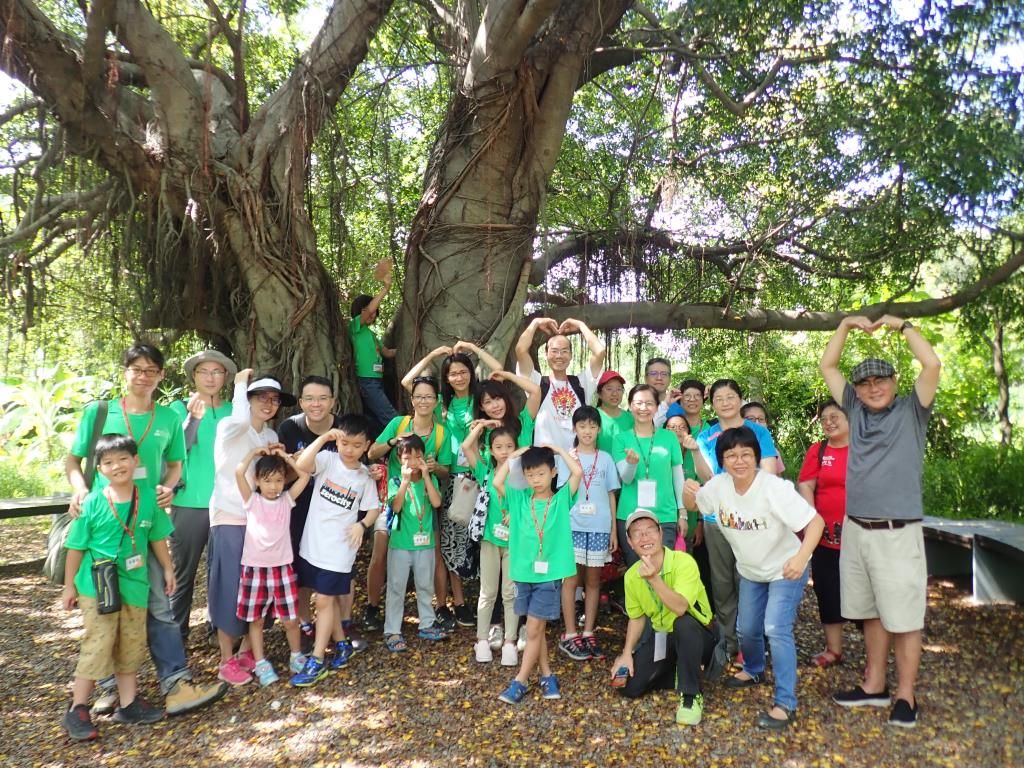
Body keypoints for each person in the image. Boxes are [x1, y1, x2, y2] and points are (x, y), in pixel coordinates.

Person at [65, 343, 225, 716]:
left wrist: (169, 486)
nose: (144, 376)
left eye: (152, 370)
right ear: (125, 372)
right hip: (104, 527)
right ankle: (107, 688)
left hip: (145, 526)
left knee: (158, 607)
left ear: (161, 376)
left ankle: (175, 684)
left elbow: (174, 465)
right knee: (107, 608)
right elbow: (74, 460)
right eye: (137, 369)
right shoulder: (99, 412)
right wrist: (80, 489)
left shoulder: (168, 417)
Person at [820, 315, 940, 728]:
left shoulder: (913, 409)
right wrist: (846, 326)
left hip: (897, 531)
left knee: (904, 616)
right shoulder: (854, 409)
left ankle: (906, 694)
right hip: (857, 529)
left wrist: (902, 326)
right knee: (868, 611)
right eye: (865, 383)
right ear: (856, 391)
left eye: (880, 380)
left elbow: (932, 365)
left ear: (893, 380)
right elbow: (828, 367)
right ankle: (875, 685)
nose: (873, 388)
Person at [689, 426, 824, 730]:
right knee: (747, 628)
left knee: (775, 628)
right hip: (751, 571)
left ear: (756, 456)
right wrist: (688, 496)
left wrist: (801, 558)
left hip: (785, 568)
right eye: (731, 455)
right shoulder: (719, 486)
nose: (739, 461)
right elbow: (696, 505)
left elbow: (816, 523)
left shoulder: (773, 488)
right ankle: (753, 669)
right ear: (722, 460)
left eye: (745, 454)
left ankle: (785, 703)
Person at [61, 435, 176, 740]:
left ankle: (128, 704)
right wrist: (68, 586)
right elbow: (75, 546)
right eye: (109, 462)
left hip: (135, 584)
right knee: (98, 640)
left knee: (131, 641)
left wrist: (167, 568)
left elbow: (156, 537)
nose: (117, 466)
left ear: (136, 460)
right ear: (99, 469)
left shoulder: (148, 498)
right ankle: (78, 708)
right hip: (96, 584)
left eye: (123, 458)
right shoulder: (94, 502)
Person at [209, 369, 294, 686]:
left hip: (261, 521)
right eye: (261, 398)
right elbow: (242, 421)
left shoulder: (270, 436)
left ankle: (247, 650)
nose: (269, 404)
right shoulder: (231, 425)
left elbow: (275, 478)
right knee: (230, 585)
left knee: (260, 586)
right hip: (230, 515)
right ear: (247, 400)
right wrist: (240, 383)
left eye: (274, 399)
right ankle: (225, 659)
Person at [693, 378, 781, 665]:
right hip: (716, 520)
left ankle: (751, 641)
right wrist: (695, 452)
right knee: (721, 582)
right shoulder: (707, 436)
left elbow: (768, 471)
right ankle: (729, 641)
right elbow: (707, 477)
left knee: (750, 578)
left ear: (740, 400)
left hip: (751, 520)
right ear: (713, 404)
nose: (726, 402)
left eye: (731, 397)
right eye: (719, 398)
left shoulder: (757, 432)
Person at [609, 509, 724, 727]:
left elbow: (681, 607)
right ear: (630, 542)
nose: (645, 537)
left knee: (684, 623)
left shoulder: (683, 562)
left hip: (699, 635)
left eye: (650, 530)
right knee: (630, 687)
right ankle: (682, 671)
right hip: (665, 636)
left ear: (661, 533)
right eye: (637, 534)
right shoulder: (632, 575)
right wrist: (626, 654)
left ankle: (691, 695)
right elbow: (636, 618)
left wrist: (654, 579)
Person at [290, 415, 382, 687]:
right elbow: (301, 464)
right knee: (321, 598)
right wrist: (323, 439)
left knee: (323, 601)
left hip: (340, 549)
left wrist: (362, 525)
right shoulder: (327, 460)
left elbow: (374, 508)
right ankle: (341, 644)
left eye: (356, 445)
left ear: (366, 446)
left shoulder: (364, 477)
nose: (349, 450)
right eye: (344, 443)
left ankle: (317, 660)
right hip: (313, 543)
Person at [493, 444, 582, 703]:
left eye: (541, 474)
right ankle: (547, 675)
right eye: (530, 475)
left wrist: (557, 449)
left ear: (553, 472)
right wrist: (517, 455)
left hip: (550, 576)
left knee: (533, 628)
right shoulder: (520, 499)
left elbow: (576, 473)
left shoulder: (560, 499)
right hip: (524, 574)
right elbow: (499, 481)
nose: (535, 480)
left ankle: (519, 682)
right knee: (536, 628)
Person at [366, 374, 452, 630]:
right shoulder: (398, 422)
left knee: (434, 554)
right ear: (412, 399)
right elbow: (371, 452)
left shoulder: (440, 433)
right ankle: (372, 607)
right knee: (380, 553)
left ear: (436, 401)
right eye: (419, 396)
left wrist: (435, 468)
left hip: (424, 499)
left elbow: (447, 470)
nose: (423, 401)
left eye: (428, 397)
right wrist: (394, 441)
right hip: (395, 497)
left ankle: (439, 607)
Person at [402, 347, 480, 630]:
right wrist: (432, 355)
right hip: (455, 483)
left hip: (483, 476)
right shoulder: (440, 407)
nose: (458, 377)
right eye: (452, 373)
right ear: (445, 378)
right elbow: (406, 383)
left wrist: (473, 349)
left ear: (472, 373)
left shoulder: (482, 401)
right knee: (451, 543)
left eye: (463, 371)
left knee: (484, 542)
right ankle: (455, 602)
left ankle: (490, 602)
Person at [169, 349, 237, 642]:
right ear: (193, 377)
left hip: (227, 504)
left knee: (221, 572)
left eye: (217, 372)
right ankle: (176, 633)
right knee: (183, 572)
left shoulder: (234, 410)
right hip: (189, 503)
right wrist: (193, 419)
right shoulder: (177, 408)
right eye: (203, 372)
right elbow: (174, 449)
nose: (210, 378)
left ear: (226, 377)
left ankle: (217, 629)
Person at [234, 447, 310, 685]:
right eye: (267, 481)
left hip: (282, 568)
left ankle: (296, 656)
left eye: (278, 480)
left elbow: (304, 476)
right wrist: (254, 453)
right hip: (255, 568)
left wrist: (286, 458)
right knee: (255, 619)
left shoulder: (286, 500)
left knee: (290, 618)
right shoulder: (252, 500)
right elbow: (239, 472)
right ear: (257, 481)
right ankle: (260, 662)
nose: (273, 486)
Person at [277, 376, 344, 642]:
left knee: (337, 568)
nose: (316, 404)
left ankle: (342, 623)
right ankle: (305, 622)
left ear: (333, 401)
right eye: (310, 398)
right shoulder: (289, 428)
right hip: (299, 506)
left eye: (323, 398)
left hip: (334, 510)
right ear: (301, 401)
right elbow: (283, 476)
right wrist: (298, 467)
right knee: (300, 566)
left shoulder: (343, 428)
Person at [558, 406, 619, 662]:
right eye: (582, 426)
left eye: (592, 426)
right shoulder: (567, 458)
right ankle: (570, 634)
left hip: (599, 526)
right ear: (574, 428)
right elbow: (562, 495)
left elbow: (610, 494)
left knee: (594, 581)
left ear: (598, 429)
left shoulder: (605, 458)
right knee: (571, 580)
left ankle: (588, 630)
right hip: (572, 526)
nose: (587, 431)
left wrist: (614, 529)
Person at [797, 400, 851, 668]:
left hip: (861, 535)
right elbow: (806, 484)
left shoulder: (864, 449)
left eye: (835, 416)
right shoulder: (818, 450)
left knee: (864, 591)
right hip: (824, 535)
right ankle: (833, 649)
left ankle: (875, 649)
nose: (828, 422)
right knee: (827, 590)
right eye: (824, 418)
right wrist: (812, 516)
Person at [383, 435, 448, 651]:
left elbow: (437, 502)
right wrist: (404, 481)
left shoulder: (431, 480)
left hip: (425, 544)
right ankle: (392, 630)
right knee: (396, 587)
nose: (413, 461)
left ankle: (427, 623)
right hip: (400, 544)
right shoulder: (394, 481)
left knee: (425, 584)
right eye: (407, 457)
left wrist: (428, 476)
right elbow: (397, 506)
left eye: (417, 456)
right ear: (399, 459)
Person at [462, 423, 520, 666]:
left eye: (509, 446)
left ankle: (510, 642)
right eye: (499, 447)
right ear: (491, 450)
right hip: (489, 540)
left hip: (514, 542)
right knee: (488, 592)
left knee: (510, 592)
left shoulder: (522, 476)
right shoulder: (485, 471)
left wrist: (515, 513)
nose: (505, 451)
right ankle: (482, 639)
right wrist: (483, 426)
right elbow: (466, 446)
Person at [613, 385, 686, 566]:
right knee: (636, 572)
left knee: (664, 570)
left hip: (664, 515)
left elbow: (678, 477)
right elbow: (627, 479)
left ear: (656, 406)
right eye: (638, 403)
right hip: (630, 516)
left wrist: (682, 513)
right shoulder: (620, 439)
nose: (643, 408)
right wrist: (631, 464)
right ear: (630, 406)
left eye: (649, 403)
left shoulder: (669, 438)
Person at [514, 316, 606, 451]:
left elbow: (600, 352)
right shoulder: (537, 384)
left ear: (571, 355)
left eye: (564, 351)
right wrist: (535, 323)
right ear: (545, 354)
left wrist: (580, 325)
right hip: (545, 466)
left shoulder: (581, 384)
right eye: (554, 351)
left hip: (575, 463)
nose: (559, 356)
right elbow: (520, 350)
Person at [349, 262, 399, 430]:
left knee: (378, 417)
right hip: (366, 381)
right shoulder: (355, 327)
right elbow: (369, 311)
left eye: (371, 309)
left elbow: (388, 353)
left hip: (378, 381)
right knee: (390, 416)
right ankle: (403, 441)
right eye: (364, 309)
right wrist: (385, 288)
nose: (369, 312)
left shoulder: (372, 335)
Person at [740, 402, 786, 474]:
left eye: (761, 419)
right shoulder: (730, 448)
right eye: (751, 419)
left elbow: (777, 480)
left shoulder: (773, 452)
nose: (757, 423)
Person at [595, 370, 633, 454]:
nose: (615, 393)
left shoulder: (631, 418)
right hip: (598, 466)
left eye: (619, 389)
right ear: (599, 394)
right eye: (609, 389)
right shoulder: (592, 416)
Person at [643, 357, 678, 428]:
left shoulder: (678, 407)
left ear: (670, 378)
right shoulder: (637, 406)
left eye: (664, 374)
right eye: (653, 373)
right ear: (645, 378)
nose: (659, 378)